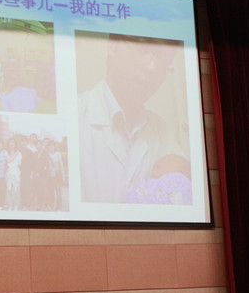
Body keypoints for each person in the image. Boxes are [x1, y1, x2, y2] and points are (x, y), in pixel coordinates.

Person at [78, 34, 189, 204]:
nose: (153, 68)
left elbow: (183, 193)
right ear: (113, 45)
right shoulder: (76, 114)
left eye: (164, 62)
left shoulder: (160, 130)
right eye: (145, 50)